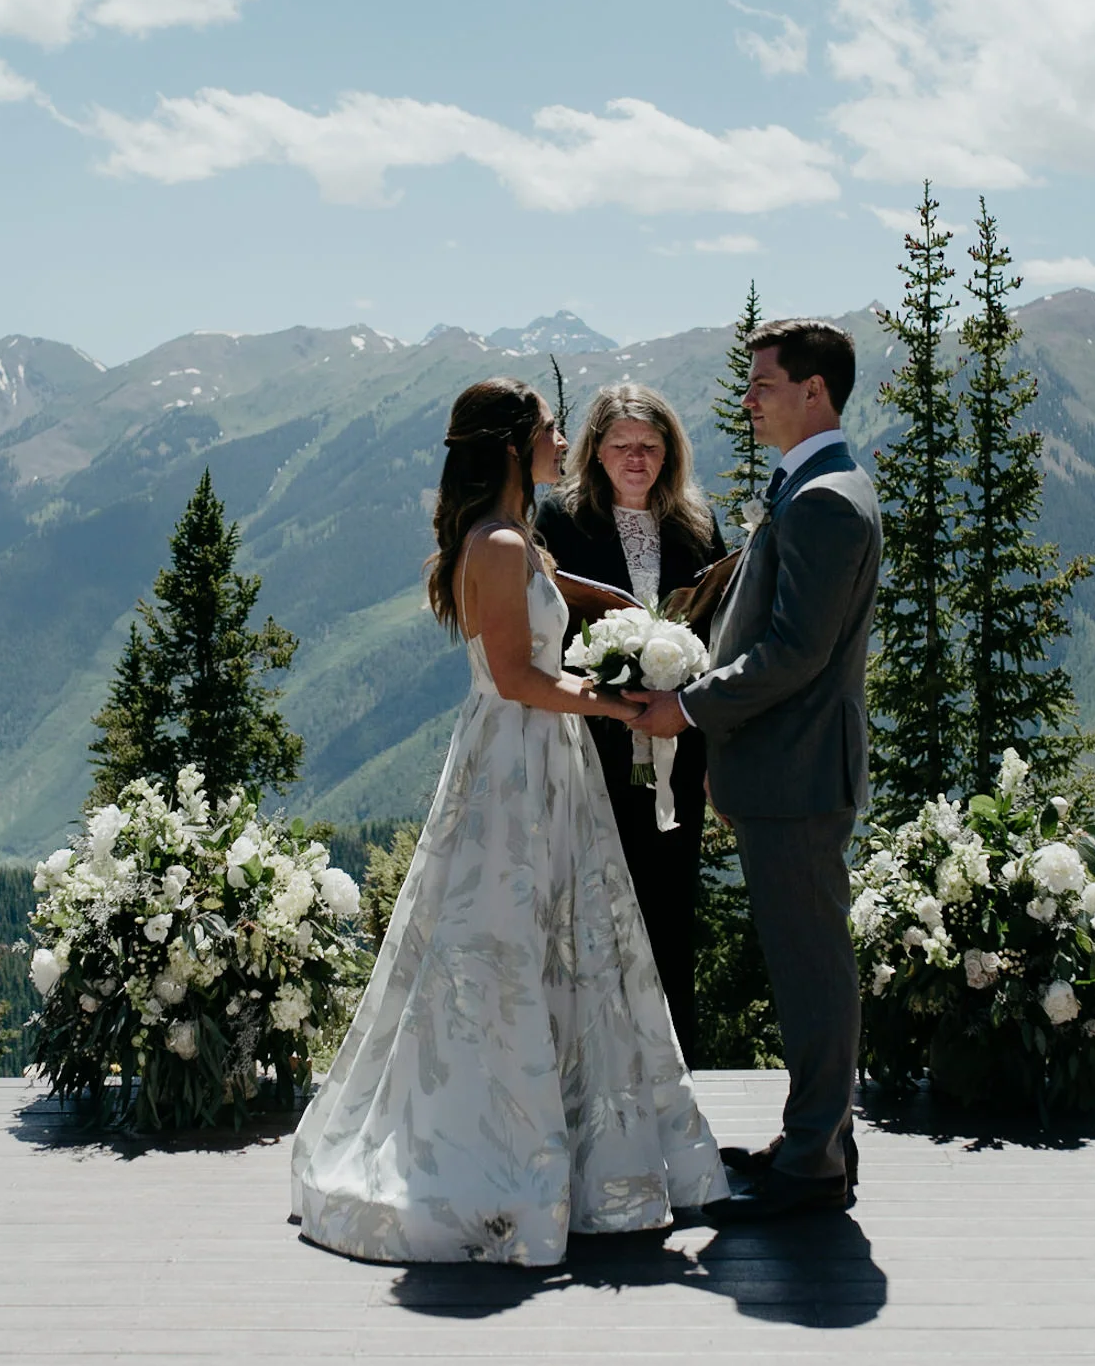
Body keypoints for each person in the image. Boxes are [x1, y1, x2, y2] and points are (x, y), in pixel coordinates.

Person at [289, 376, 727, 1267]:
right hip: (515, 756)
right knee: (504, 943)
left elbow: (564, 589)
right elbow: (518, 678)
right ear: (512, 444)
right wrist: (616, 701)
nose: (564, 443)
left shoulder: (512, 539)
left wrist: (640, 622)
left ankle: (567, 1137)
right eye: (553, 432)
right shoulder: (492, 545)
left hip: (546, 758)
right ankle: (500, 1149)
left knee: (561, 940)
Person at [629, 319, 880, 1222]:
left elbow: (791, 654)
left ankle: (813, 1158)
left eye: (763, 383)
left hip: (801, 773)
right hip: (785, 767)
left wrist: (688, 708)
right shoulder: (814, 485)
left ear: (814, 391)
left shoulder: (823, 500)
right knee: (806, 958)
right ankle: (819, 1136)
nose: (748, 398)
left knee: (811, 966)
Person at [534, 384, 726, 1055]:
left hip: (682, 741)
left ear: (670, 451)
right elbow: (544, 631)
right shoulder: (561, 523)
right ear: (596, 451)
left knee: (671, 913)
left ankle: (676, 1076)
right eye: (621, 445)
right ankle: (596, 1069)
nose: (636, 458)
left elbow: (720, 632)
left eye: (649, 445)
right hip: (593, 747)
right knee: (595, 910)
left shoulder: (696, 526)